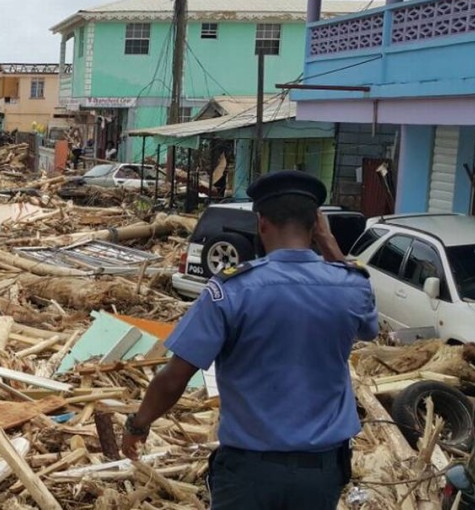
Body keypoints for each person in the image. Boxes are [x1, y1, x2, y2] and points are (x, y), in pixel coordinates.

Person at [120, 170, 377, 510]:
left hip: (248, 475)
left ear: (262, 223)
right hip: (320, 474)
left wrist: (138, 423)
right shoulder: (350, 285)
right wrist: (331, 248)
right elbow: (369, 330)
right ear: (317, 224)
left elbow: (175, 377)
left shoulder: (231, 290)